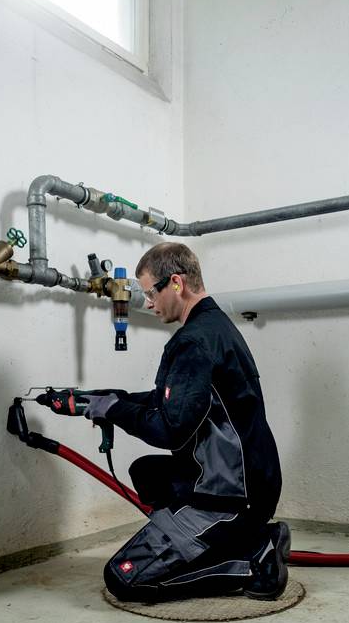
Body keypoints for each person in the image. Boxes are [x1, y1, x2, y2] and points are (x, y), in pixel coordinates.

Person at [55, 242, 289, 602]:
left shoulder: (193, 342)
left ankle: (251, 558)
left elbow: (169, 428)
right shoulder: (215, 326)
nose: (148, 303)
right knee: (147, 473)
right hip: (253, 483)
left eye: (150, 292)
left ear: (175, 283)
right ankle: (237, 538)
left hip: (229, 498)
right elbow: (174, 401)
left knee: (123, 579)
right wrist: (105, 399)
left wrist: (115, 410)